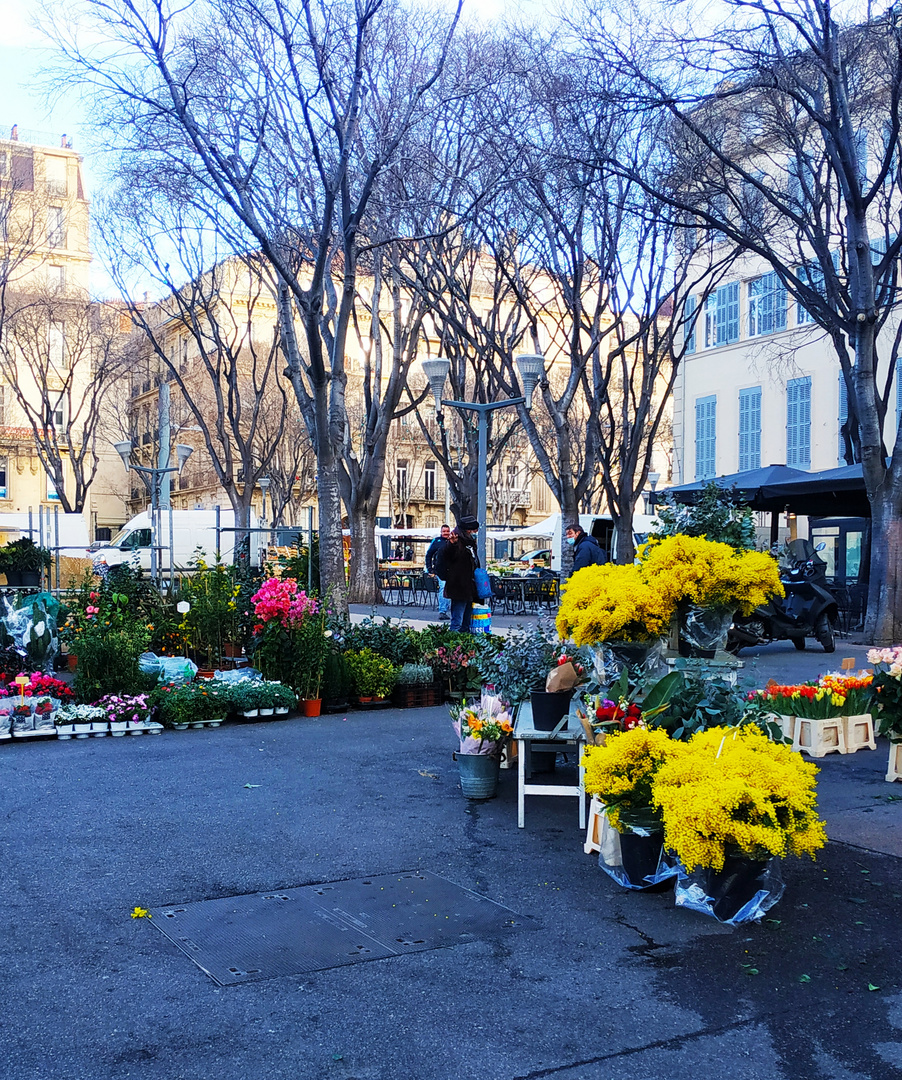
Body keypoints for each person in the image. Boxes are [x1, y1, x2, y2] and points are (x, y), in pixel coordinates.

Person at [443, 515, 480, 633]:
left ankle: (464, 646)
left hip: (469, 586)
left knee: (466, 623)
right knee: (457, 621)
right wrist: (452, 545)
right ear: (468, 530)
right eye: (474, 530)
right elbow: (448, 557)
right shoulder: (456, 542)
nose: (475, 532)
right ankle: (453, 646)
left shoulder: (470, 543)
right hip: (458, 586)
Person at [425, 524, 452, 620]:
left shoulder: (453, 541)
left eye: (447, 531)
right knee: (443, 588)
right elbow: (428, 555)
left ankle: (451, 610)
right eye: (444, 531)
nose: (446, 533)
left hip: (453, 571)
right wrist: (429, 569)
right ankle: (442, 611)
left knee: (452, 590)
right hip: (440, 571)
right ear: (441, 532)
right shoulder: (436, 541)